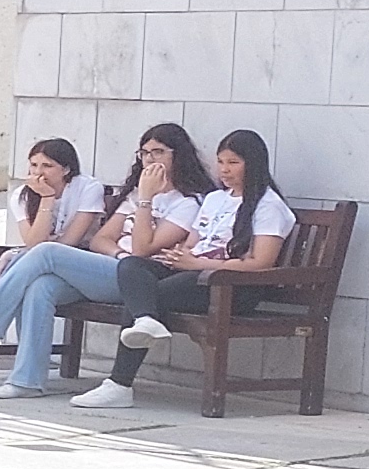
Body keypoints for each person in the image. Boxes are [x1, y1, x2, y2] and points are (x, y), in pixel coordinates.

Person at [76, 128, 296, 410]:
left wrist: (198, 263)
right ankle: (145, 322)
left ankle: (119, 384)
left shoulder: (269, 206)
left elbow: (261, 262)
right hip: (196, 273)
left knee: (149, 294)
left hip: (232, 286)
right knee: (133, 265)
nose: (224, 170)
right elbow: (193, 243)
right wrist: (182, 257)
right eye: (221, 162)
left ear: (253, 164)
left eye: (233, 162)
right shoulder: (216, 199)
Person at [0, 130, 161, 399]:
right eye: (34, 165)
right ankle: (27, 381)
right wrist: (46, 199)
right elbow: (34, 242)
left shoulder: (88, 188)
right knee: (39, 288)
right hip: (64, 267)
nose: (39, 172)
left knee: (44, 254)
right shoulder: (23, 194)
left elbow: (69, 243)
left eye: (47, 166)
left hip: (103, 271)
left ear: (66, 169)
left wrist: (43, 246)